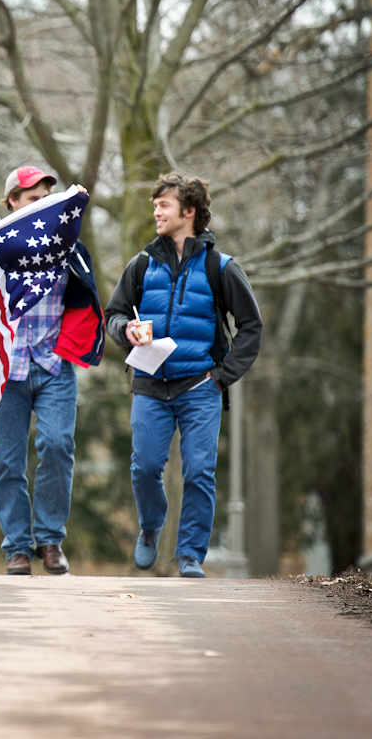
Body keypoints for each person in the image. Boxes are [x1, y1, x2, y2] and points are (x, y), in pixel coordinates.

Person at [105, 173, 261, 578]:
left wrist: (222, 377)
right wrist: (128, 330)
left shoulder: (220, 267)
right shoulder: (141, 265)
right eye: (155, 204)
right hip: (149, 386)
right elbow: (113, 315)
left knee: (198, 471)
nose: (156, 211)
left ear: (189, 212)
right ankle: (151, 526)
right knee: (144, 467)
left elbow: (251, 327)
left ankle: (190, 553)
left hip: (200, 388)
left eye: (164, 205)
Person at [0, 166, 105, 575]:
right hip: (7, 368)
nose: (42, 205)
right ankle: (17, 547)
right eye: (33, 199)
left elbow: (88, 299)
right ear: (12, 203)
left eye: (47, 198)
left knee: (57, 446)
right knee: (8, 461)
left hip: (54, 364)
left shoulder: (69, 248)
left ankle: (50, 539)